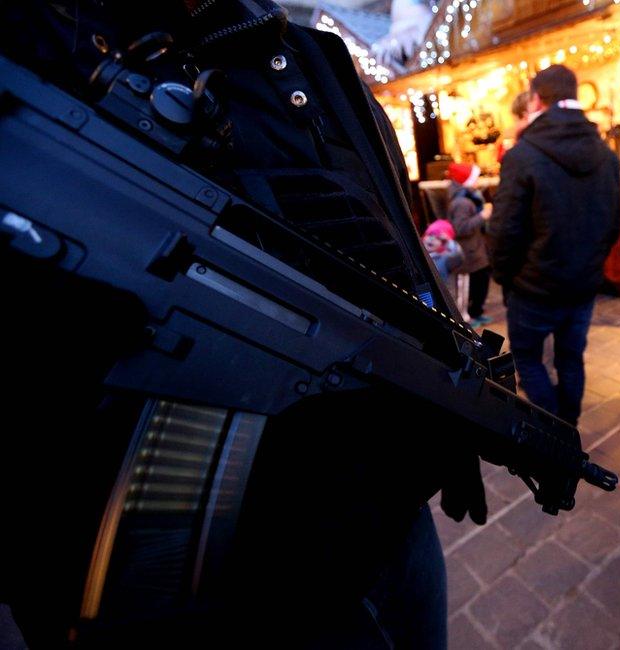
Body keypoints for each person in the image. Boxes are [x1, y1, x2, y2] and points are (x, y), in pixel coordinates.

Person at [0, 1, 486, 646]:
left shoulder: (312, 57)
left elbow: (400, 258)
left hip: (391, 514)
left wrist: (449, 403)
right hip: (190, 581)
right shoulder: (37, 46)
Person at [487, 64, 620, 426]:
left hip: (533, 289)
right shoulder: (607, 156)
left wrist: (505, 277)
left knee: (528, 360)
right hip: (581, 286)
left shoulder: (522, 155)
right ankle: (569, 426)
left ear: (535, 100)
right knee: (570, 359)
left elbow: (503, 232)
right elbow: (613, 225)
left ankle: (555, 433)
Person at [446, 162, 493, 326]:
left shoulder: (469, 197)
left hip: (476, 250)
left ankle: (476, 312)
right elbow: (460, 228)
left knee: (481, 282)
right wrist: (483, 216)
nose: (478, 181)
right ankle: (465, 319)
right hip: (467, 253)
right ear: (466, 180)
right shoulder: (462, 202)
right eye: (475, 178)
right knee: (467, 288)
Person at [423, 218, 465, 298]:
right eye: (430, 235)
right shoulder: (420, 255)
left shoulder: (445, 258)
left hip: (444, 299)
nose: (432, 239)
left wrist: (448, 241)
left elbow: (459, 256)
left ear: (444, 244)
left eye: (438, 238)